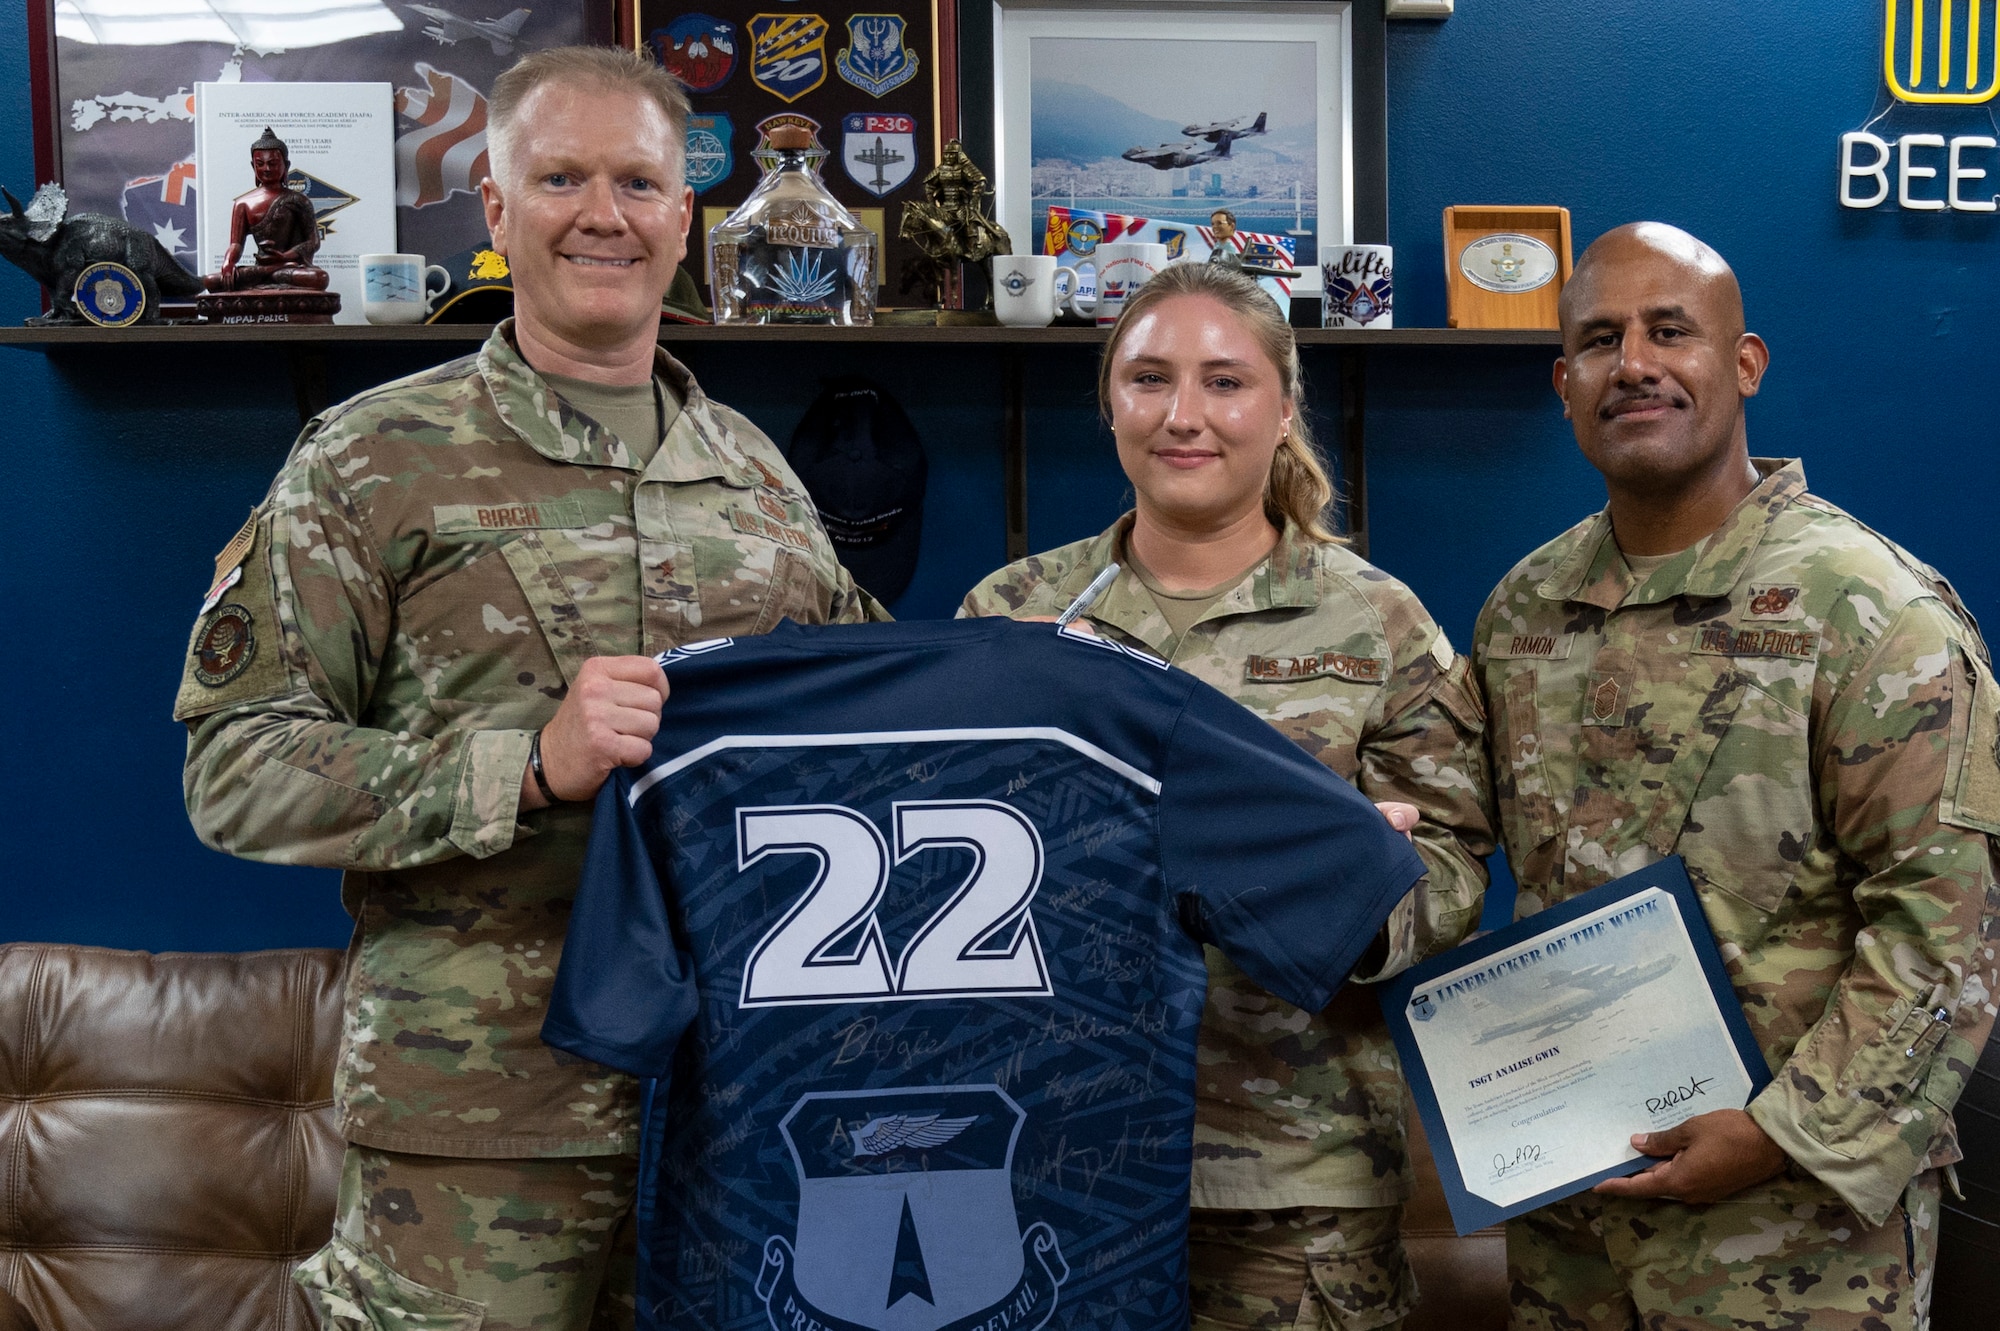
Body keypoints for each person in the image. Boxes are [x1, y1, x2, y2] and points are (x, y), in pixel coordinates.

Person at [175, 46, 884, 1331]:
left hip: (743, 1106)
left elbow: (875, 716)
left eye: (636, 182)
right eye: (559, 178)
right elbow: (236, 768)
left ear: (684, 217)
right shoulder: (368, 460)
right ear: (496, 211)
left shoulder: (760, 475)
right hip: (481, 1124)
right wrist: (525, 762)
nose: (601, 214)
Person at [1475, 221, 2000, 1331]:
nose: (1633, 364)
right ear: (1560, 379)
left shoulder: (1866, 609)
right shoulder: (1522, 610)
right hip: (1571, 1217)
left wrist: (1775, 1132)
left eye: (1670, 331)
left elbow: (1945, 934)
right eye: (1599, 339)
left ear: (1743, 362)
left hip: (1793, 1237)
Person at [961, 261, 1495, 1331]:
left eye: (1224, 382)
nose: (1182, 416)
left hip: (1296, 1176)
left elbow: (1452, 876)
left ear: (1282, 407)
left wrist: (1353, 883)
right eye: (1149, 379)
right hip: (1053, 1152)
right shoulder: (1013, 613)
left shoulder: (1376, 623)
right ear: (1109, 401)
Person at [203, 126, 328, 291]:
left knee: (319, 278)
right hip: (259, 269)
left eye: (273, 163)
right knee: (210, 281)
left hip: (289, 267)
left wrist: (285, 256)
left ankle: (271, 272)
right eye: (260, 164)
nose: (266, 169)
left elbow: (313, 242)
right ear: (253, 166)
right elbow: (236, 244)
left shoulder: (298, 200)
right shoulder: (243, 203)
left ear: (286, 165)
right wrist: (229, 262)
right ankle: (269, 272)